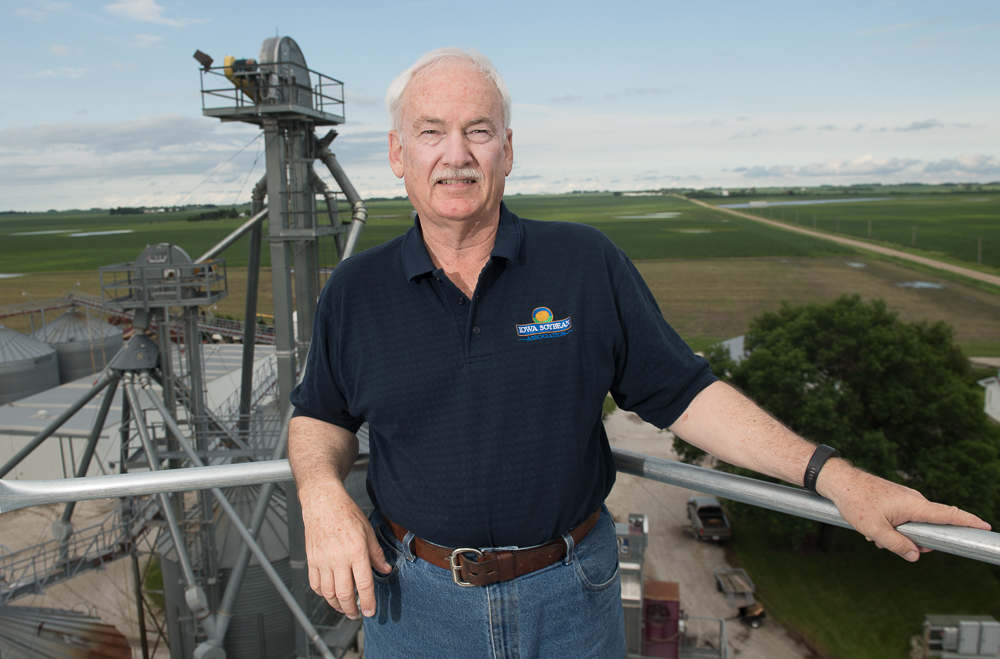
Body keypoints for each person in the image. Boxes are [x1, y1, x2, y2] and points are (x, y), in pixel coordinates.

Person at [288, 47, 990, 658]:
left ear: (508, 148)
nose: (457, 154)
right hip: (415, 608)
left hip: (570, 600)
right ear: (397, 154)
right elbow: (320, 413)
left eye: (479, 130)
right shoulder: (357, 289)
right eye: (431, 132)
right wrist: (320, 492)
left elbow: (685, 393)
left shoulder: (584, 264)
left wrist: (837, 478)